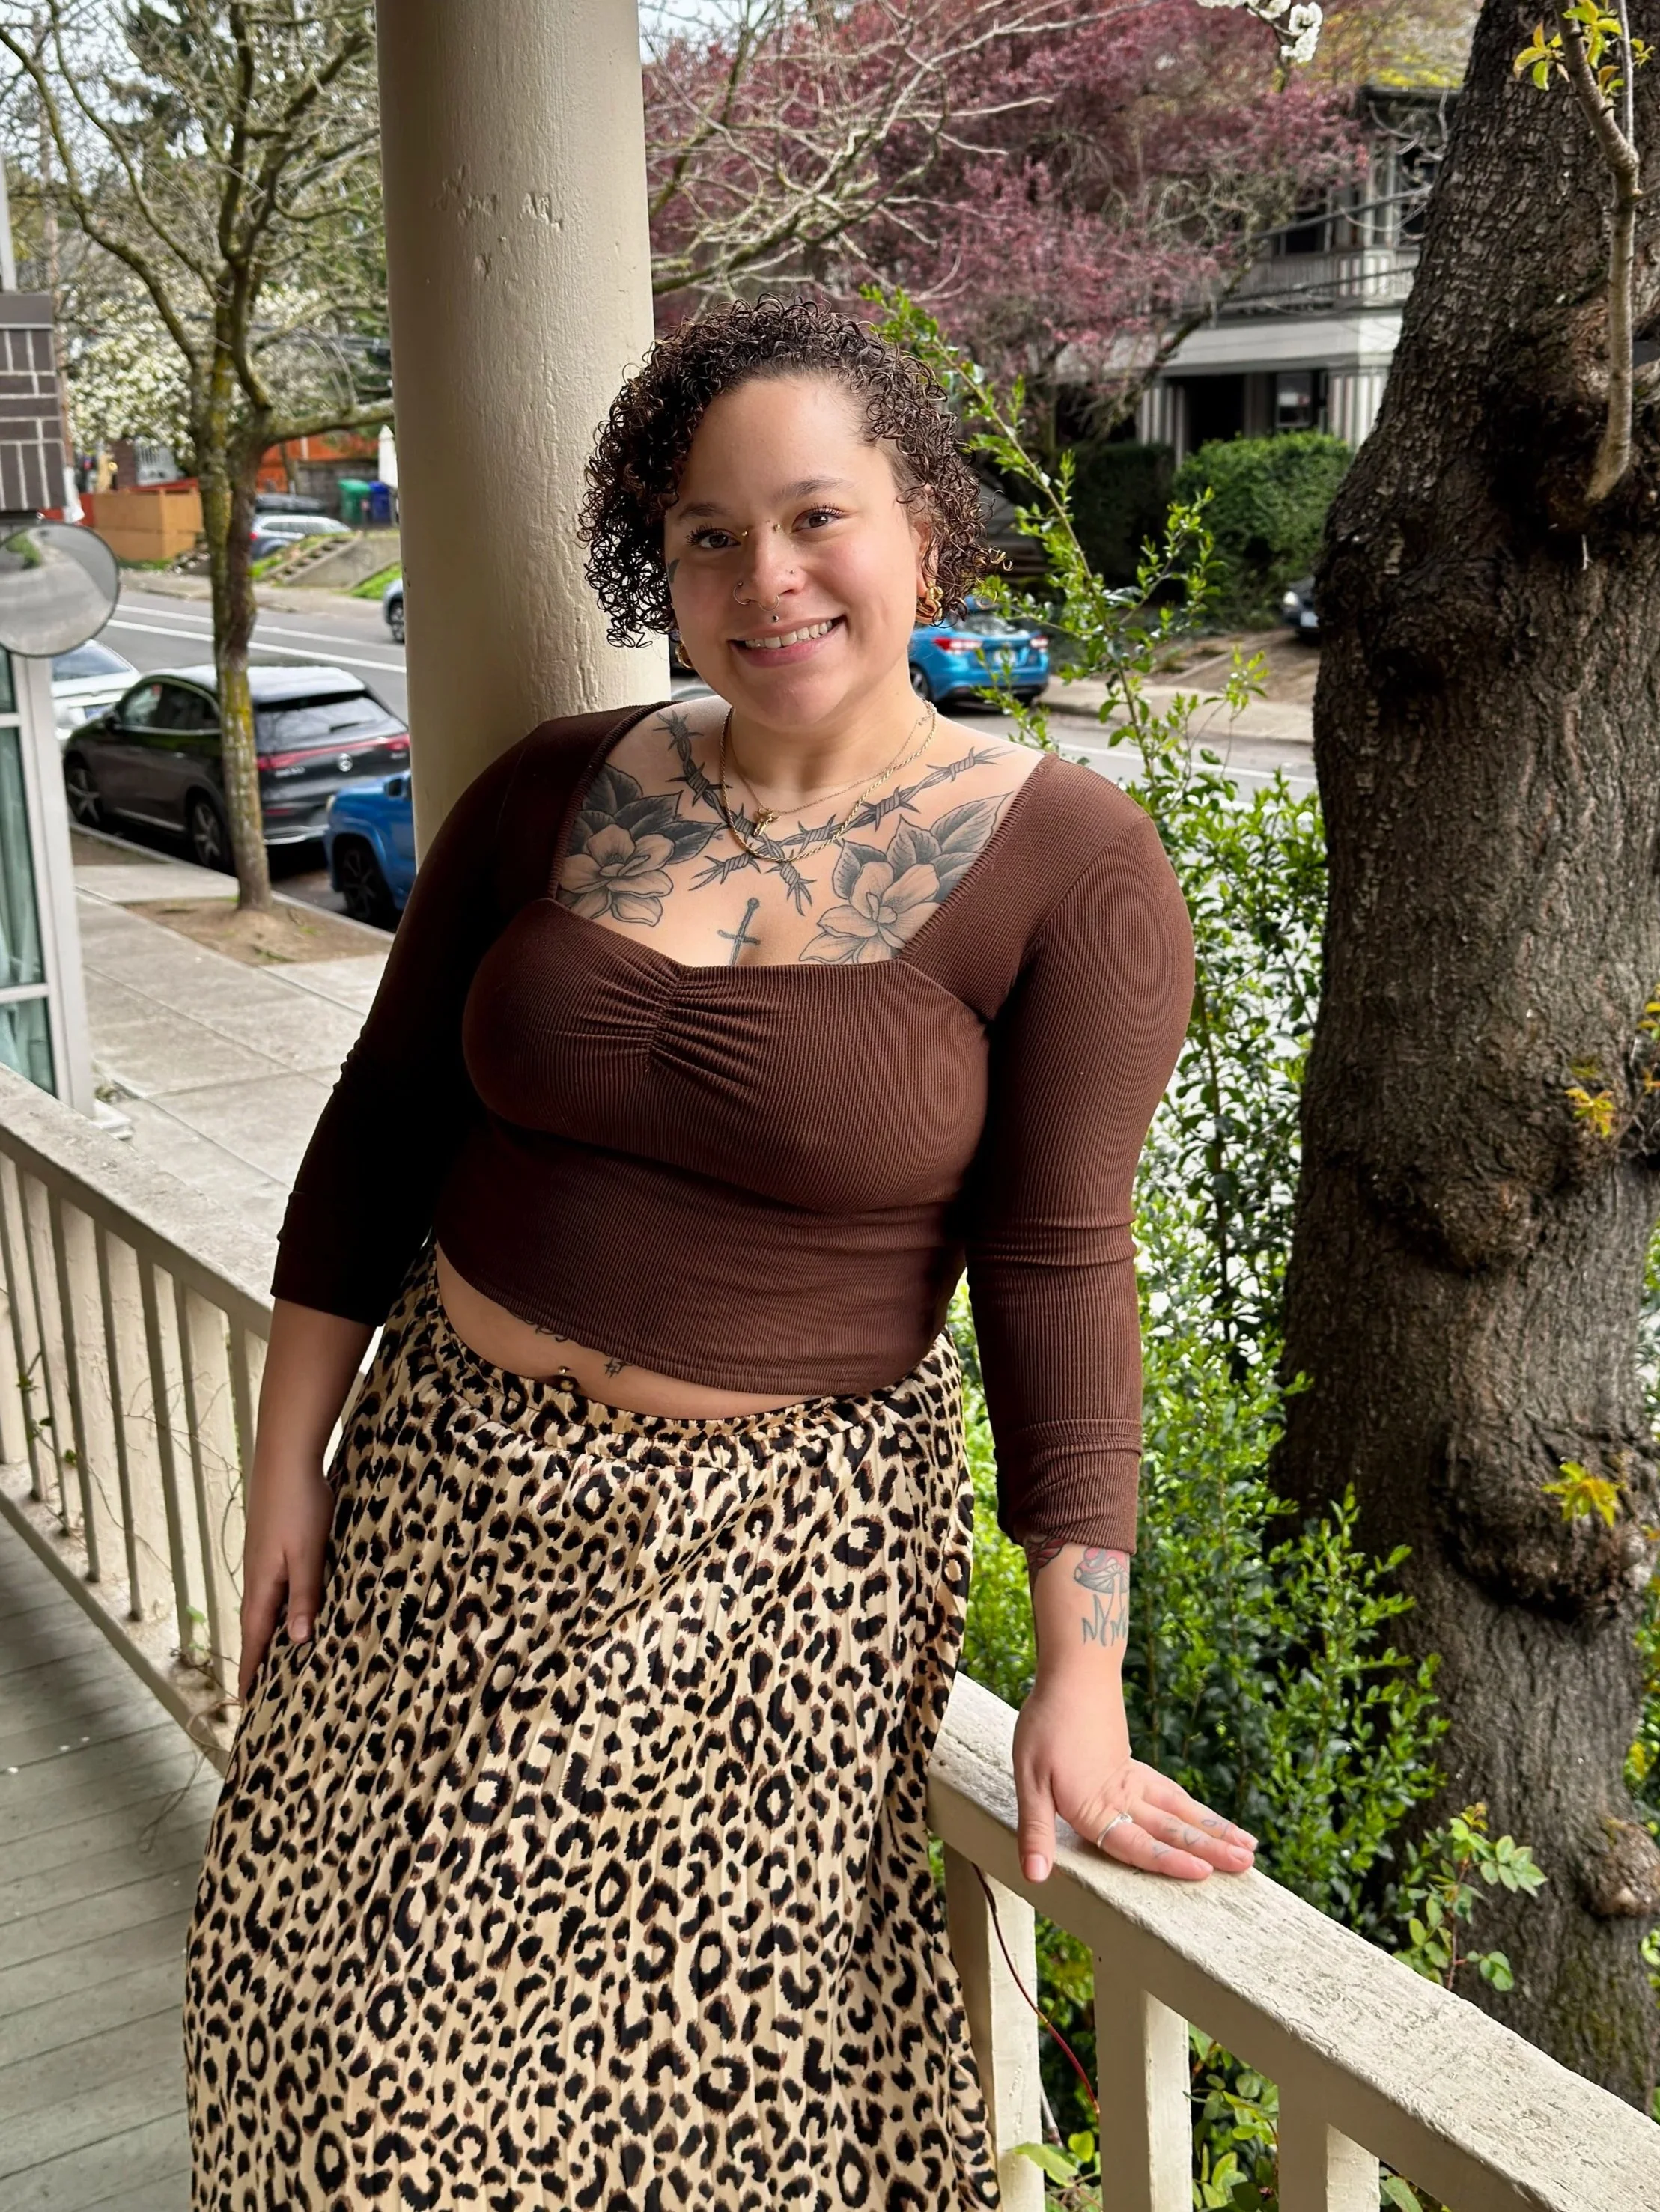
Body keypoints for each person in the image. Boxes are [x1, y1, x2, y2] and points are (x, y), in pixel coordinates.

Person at [183, 294, 1255, 2210]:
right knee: (317, 2022)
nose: (768, 577)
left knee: (644, 2120)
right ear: (656, 565)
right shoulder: (552, 784)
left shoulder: (1076, 866)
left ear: (926, 527)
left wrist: (1081, 1671)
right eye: (707, 534)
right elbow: (379, 1128)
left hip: (763, 1579)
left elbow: (1061, 1268)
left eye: (818, 516)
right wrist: (290, 1465)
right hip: (436, 1498)